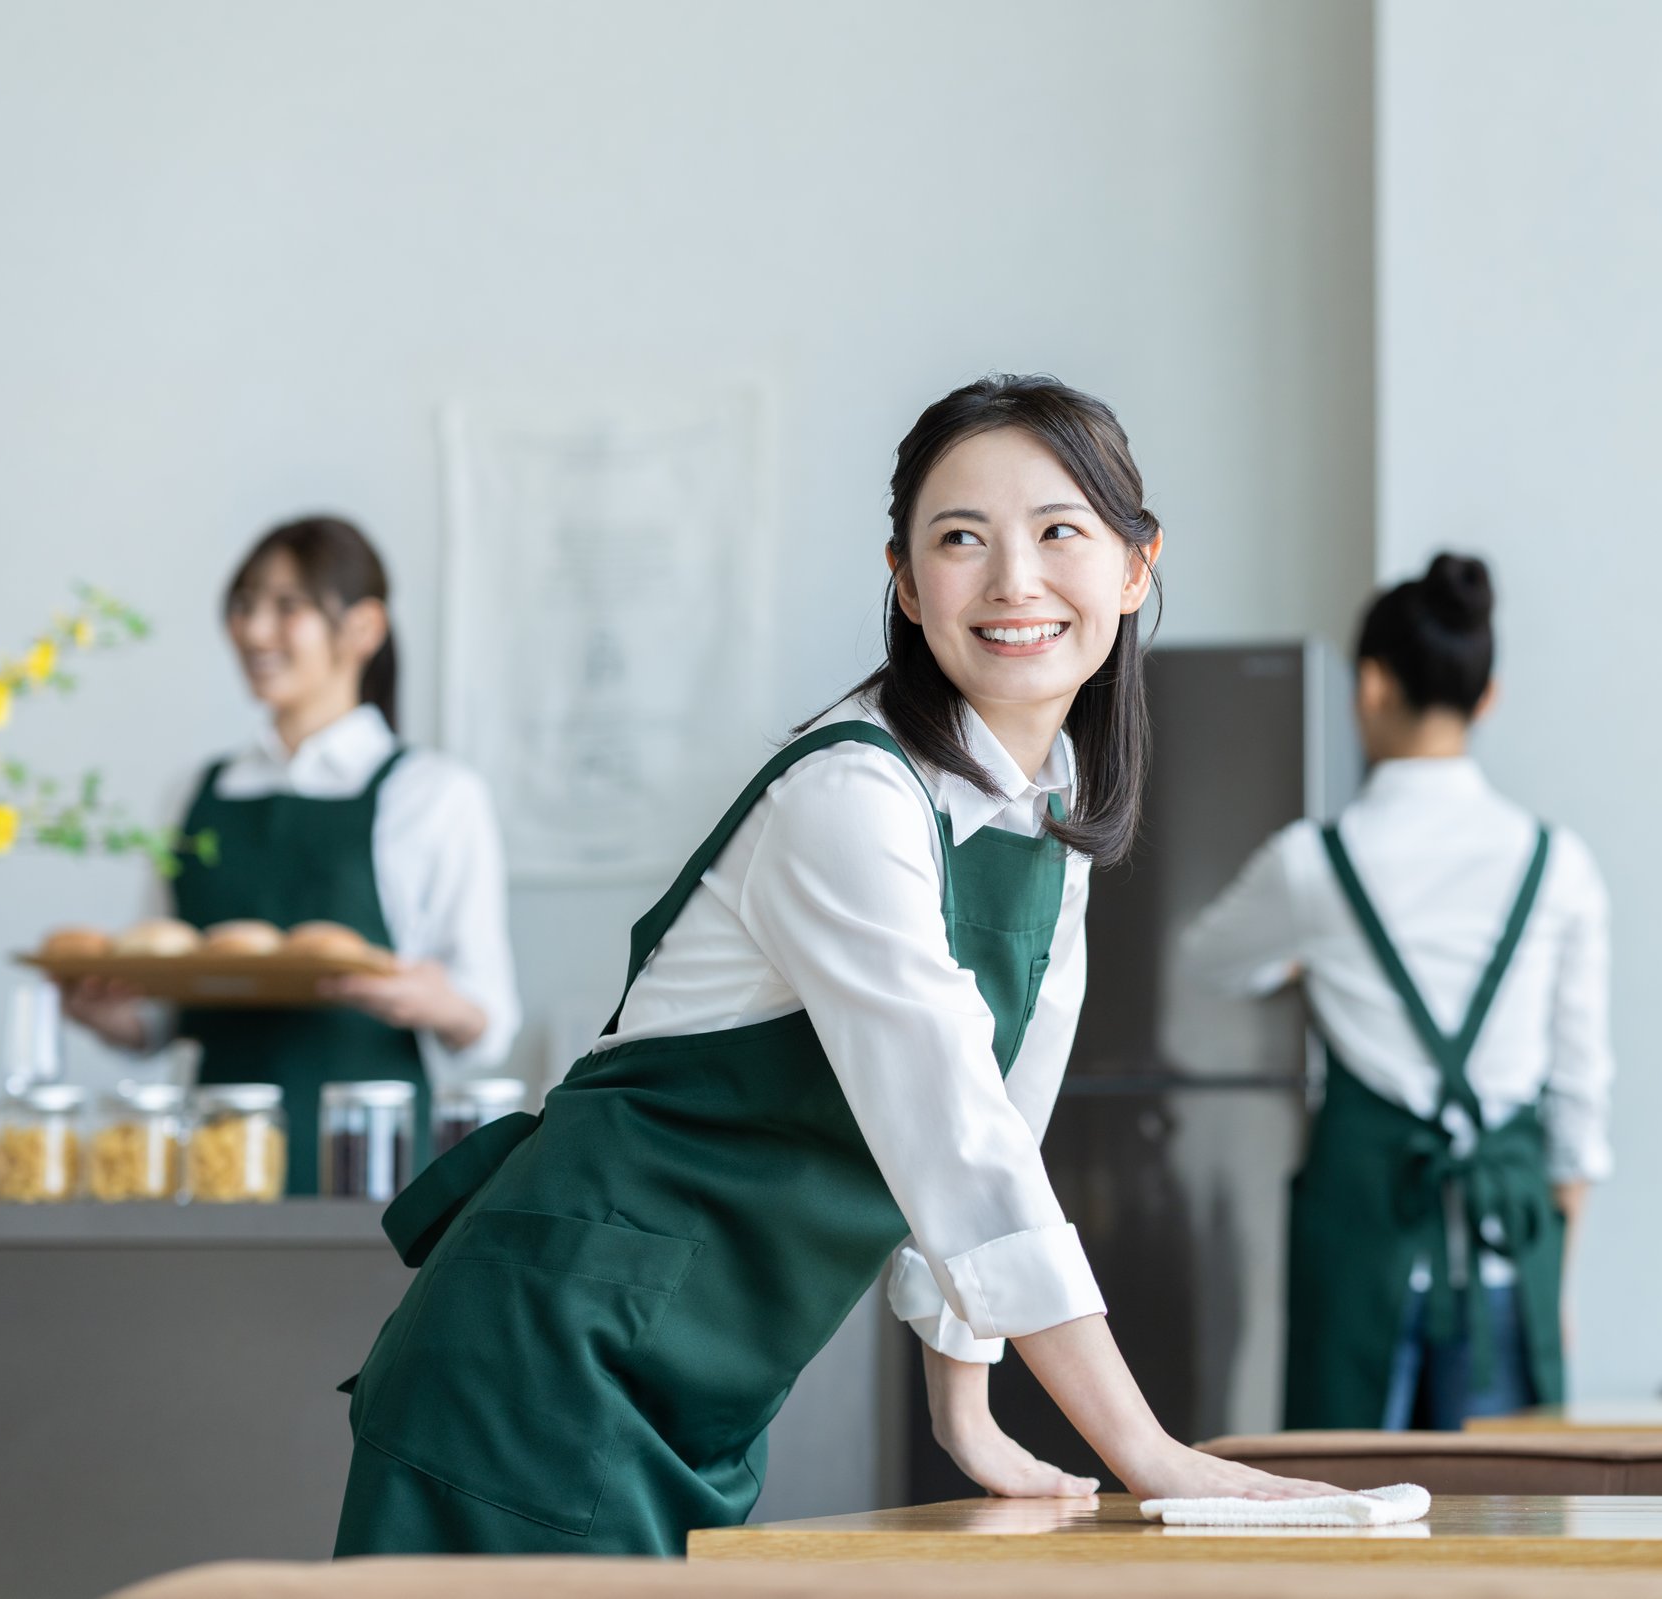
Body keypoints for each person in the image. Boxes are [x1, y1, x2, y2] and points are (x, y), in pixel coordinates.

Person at [332, 375, 1340, 1557]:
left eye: (1059, 530)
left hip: (683, 1383)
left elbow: (999, 1132)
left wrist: (969, 1414)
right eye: (961, 540)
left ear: (1135, 565)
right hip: (542, 1364)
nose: (1015, 580)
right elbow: (954, 1146)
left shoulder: (1043, 803)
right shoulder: (851, 796)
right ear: (907, 585)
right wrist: (1150, 1455)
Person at [1177, 552, 1615, 1430]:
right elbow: (1579, 1099)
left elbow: (1202, 960)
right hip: (1505, 1258)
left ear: (1370, 685)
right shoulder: (1557, 864)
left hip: (1360, 1257)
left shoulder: (1312, 865)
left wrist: (1293, 962)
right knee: (1503, 1548)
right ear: (1486, 697)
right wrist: (1555, 1285)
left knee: (1353, 1535)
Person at [64, 515, 521, 1193]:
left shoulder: (433, 794)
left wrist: (431, 999)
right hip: (213, 1159)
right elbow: (161, 1006)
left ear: (363, 629)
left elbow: (489, 1018)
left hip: (376, 1165)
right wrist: (104, 1012)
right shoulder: (193, 791)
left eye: (288, 606)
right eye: (244, 605)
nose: (254, 631)